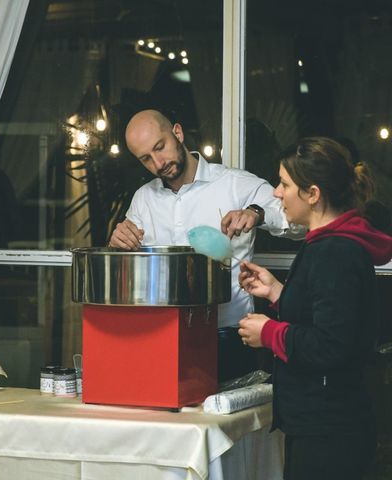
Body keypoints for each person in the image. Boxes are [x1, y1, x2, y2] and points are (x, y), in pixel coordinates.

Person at [238, 137, 392, 479]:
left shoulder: (335, 252)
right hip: (325, 423)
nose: (277, 193)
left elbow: (331, 344)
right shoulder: (330, 244)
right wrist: (278, 293)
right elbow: (327, 312)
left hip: (331, 430)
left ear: (313, 194)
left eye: (284, 184)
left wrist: (269, 332)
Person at [108, 109, 300, 382]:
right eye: (146, 159)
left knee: (233, 422)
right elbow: (128, 267)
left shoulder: (236, 184)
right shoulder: (143, 199)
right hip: (162, 338)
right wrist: (118, 242)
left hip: (230, 337)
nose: (158, 163)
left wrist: (256, 213)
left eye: (160, 148)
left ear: (178, 132)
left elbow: (299, 224)